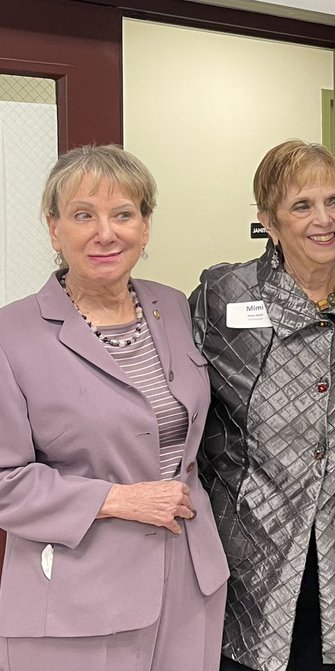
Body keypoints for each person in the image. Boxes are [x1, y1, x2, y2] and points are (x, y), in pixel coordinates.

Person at [0, 145, 228, 669]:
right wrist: (116, 500)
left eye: (123, 214)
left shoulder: (171, 306)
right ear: (54, 229)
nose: (106, 233)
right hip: (79, 591)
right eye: (84, 215)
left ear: (145, 228)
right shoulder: (13, 336)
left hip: (189, 583)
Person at [191, 140, 335, 671]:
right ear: (268, 218)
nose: (324, 220)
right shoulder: (224, 295)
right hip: (251, 542)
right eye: (302, 206)